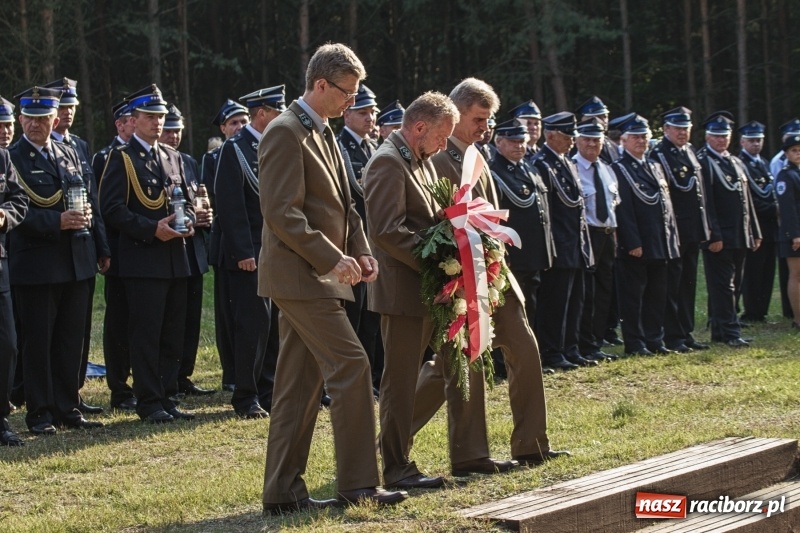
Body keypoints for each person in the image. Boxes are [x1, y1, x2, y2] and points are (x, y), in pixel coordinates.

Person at [259, 43, 406, 513]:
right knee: (352, 366)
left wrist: (360, 250)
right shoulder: (285, 131)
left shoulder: (320, 131)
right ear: (320, 85)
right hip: (300, 275)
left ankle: (283, 493)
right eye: (346, 92)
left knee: (298, 386)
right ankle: (359, 485)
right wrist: (331, 258)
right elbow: (282, 213)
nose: (352, 101)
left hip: (319, 274)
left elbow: (345, 202)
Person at [412, 78, 569, 476]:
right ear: (457, 113)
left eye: (490, 119)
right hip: (459, 278)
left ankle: (532, 445)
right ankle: (441, 448)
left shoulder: (476, 156)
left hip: (493, 273)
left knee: (524, 347)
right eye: (479, 119)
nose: (486, 127)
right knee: (456, 365)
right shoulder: (436, 159)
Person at [362, 91, 457, 489]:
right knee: (399, 382)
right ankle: (396, 466)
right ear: (419, 127)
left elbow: (427, 217)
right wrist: (436, 266)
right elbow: (386, 232)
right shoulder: (387, 161)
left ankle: (397, 451)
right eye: (441, 137)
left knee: (441, 367)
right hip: (404, 290)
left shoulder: (418, 159)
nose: (444, 146)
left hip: (424, 287)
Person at [9, 86, 108, 434]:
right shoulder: (12, 157)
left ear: (54, 118)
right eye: (30, 119)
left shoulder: (68, 152)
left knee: (71, 340)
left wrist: (101, 247)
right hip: (37, 264)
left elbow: (88, 199)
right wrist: (56, 221)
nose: (36, 125)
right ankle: (40, 413)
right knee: (38, 342)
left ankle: (69, 406)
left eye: (43, 118)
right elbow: (13, 213)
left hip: (76, 259)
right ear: (21, 119)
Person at [99, 84, 197, 423]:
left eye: (160, 117)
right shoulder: (122, 157)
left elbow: (181, 199)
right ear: (134, 120)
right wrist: (151, 228)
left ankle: (167, 395)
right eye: (150, 117)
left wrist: (191, 220)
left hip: (175, 258)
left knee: (172, 333)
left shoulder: (172, 157)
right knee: (146, 334)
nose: (158, 123)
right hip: (143, 260)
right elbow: (111, 208)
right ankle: (149, 400)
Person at [215, 86, 286, 417]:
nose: (280, 117)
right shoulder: (237, 149)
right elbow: (231, 206)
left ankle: (269, 390)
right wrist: (244, 251)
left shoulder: (275, 144)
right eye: (276, 111)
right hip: (251, 253)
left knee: (274, 326)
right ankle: (245, 395)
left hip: (275, 251)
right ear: (262, 114)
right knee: (253, 325)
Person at [44, 77, 104, 416]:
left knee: (76, 333)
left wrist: (102, 246)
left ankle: (71, 397)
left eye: (72, 107)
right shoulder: (24, 151)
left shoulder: (77, 146)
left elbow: (91, 199)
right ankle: (45, 400)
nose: (67, 113)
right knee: (48, 333)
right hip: (49, 253)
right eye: (62, 107)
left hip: (81, 250)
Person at [610, 113, 680, 356]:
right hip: (637, 245)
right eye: (636, 137)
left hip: (660, 242)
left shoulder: (654, 166)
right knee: (633, 298)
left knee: (656, 295)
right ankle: (635, 342)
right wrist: (632, 242)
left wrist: (671, 240)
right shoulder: (619, 169)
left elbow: (666, 207)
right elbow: (623, 209)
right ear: (624, 141)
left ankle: (654, 339)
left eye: (644, 137)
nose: (641, 141)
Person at [530, 111, 595, 369]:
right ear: (551, 135)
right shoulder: (542, 164)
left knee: (575, 300)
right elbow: (547, 212)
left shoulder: (565, 162)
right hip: (558, 245)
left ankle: (570, 347)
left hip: (575, 244)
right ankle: (552, 351)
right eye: (567, 136)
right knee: (555, 303)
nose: (571, 141)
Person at [489, 118, 555, 365]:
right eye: (513, 141)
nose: (519, 146)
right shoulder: (494, 171)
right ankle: (504, 361)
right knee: (507, 311)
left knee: (531, 307)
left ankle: (526, 357)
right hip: (512, 255)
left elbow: (542, 214)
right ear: (499, 142)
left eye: (522, 141)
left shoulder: (528, 168)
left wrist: (548, 250)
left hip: (534, 253)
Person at [159, 104, 214, 397]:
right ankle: (168, 377)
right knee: (173, 319)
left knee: (191, 319)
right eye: (168, 129)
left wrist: (202, 215)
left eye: (178, 130)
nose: (173, 135)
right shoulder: (157, 161)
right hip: (170, 249)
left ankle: (184, 375)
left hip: (193, 248)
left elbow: (195, 198)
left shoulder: (189, 162)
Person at [697, 111, 761, 347]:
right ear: (707, 137)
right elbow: (707, 202)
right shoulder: (704, 162)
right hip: (720, 234)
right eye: (716, 136)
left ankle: (722, 330)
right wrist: (713, 234)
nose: (721, 140)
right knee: (723, 285)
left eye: (724, 136)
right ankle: (730, 331)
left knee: (736, 282)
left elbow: (747, 200)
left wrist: (754, 230)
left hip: (740, 232)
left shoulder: (735, 161)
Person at [650, 106, 711, 352]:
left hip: (692, 230)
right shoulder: (660, 154)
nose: (682, 133)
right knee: (672, 286)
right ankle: (673, 335)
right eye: (677, 128)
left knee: (688, 284)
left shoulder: (690, 152)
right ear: (666, 129)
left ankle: (685, 333)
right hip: (674, 232)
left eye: (686, 128)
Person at [337, 84, 383, 396]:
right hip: (351, 242)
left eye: (372, 113)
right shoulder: (340, 147)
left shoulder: (372, 148)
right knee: (351, 315)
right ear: (347, 114)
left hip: (373, 242)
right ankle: (352, 380)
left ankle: (373, 378)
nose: (370, 118)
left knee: (372, 316)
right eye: (363, 112)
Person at [202, 99, 250, 392]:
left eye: (243, 122)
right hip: (226, 244)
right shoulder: (214, 158)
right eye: (234, 123)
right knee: (228, 313)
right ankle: (231, 372)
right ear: (223, 128)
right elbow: (216, 200)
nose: (239, 127)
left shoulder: (255, 152)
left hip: (251, 242)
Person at [95, 100, 138, 411]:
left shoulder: (142, 154)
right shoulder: (107, 157)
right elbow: (104, 209)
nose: (136, 124)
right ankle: (119, 387)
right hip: (119, 253)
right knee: (119, 322)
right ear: (120, 125)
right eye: (130, 120)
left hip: (144, 254)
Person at [572, 117, 620, 362]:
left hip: (607, 235)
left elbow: (614, 206)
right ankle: (582, 343)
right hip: (587, 235)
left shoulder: (607, 169)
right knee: (586, 293)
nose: (592, 144)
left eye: (596, 140)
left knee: (604, 292)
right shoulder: (573, 168)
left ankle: (595, 343)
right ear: (577, 140)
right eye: (587, 139)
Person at [0, 146, 28, 445]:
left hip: (0, 267)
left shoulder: (1, 157)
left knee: (6, 346)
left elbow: (19, 198)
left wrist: (4, 216)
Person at [737, 121, 778, 323]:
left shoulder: (763, 162)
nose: (756, 144)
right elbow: (750, 198)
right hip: (756, 225)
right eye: (751, 140)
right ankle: (752, 312)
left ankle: (761, 311)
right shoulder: (740, 163)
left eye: (759, 140)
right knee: (754, 271)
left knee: (767, 271)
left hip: (770, 226)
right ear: (742, 141)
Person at [774, 134, 800, 329]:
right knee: (797, 275)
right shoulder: (786, 175)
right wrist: (794, 234)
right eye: (794, 150)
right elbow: (787, 208)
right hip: (794, 234)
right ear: (786, 153)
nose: (798, 154)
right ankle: (798, 319)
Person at [574, 96, 618, 165]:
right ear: (584, 119)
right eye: (599, 117)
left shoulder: (612, 144)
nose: (604, 121)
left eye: (605, 116)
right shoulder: (577, 144)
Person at [508, 100, 542, 164]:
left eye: (536, 123)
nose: (533, 127)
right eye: (528, 123)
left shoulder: (543, 154)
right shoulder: (512, 154)